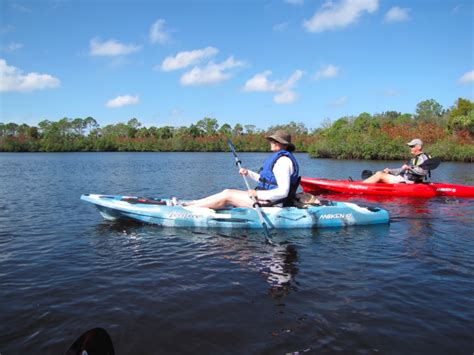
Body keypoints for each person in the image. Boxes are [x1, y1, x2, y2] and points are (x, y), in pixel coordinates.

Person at [184, 130, 300, 209]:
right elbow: (264, 180)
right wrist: (248, 173)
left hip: (272, 203)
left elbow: (283, 192)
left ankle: (192, 208)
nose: (272, 142)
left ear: (285, 145)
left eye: (276, 141)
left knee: (228, 195)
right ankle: (194, 203)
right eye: (272, 140)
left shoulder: (283, 161)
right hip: (266, 198)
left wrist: (257, 193)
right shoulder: (279, 159)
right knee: (227, 191)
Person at [363, 138, 430, 184]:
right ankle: (364, 184)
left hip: (407, 181)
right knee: (380, 173)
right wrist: (390, 170)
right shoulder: (416, 158)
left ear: (419, 147)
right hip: (405, 178)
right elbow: (403, 170)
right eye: (410, 146)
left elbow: (423, 172)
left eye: (412, 146)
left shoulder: (423, 158)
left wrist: (409, 168)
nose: (410, 148)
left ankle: (360, 186)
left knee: (379, 175)